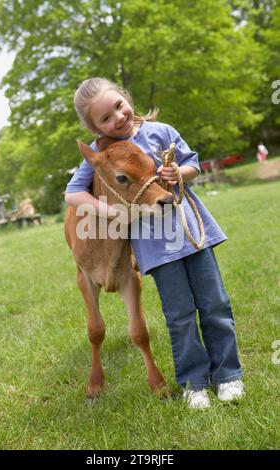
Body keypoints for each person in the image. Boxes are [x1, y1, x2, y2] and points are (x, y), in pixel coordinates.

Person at [65, 77, 244, 409]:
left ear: (127, 99)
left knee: (215, 304)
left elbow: (193, 164)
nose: (118, 117)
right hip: (155, 248)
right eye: (105, 118)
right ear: (96, 129)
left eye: (119, 106)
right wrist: (110, 213)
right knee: (179, 315)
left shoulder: (160, 131)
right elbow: (72, 193)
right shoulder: (103, 155)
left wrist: (181, 173)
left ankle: (229, 375)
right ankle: (194, 383)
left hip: (193, 233)